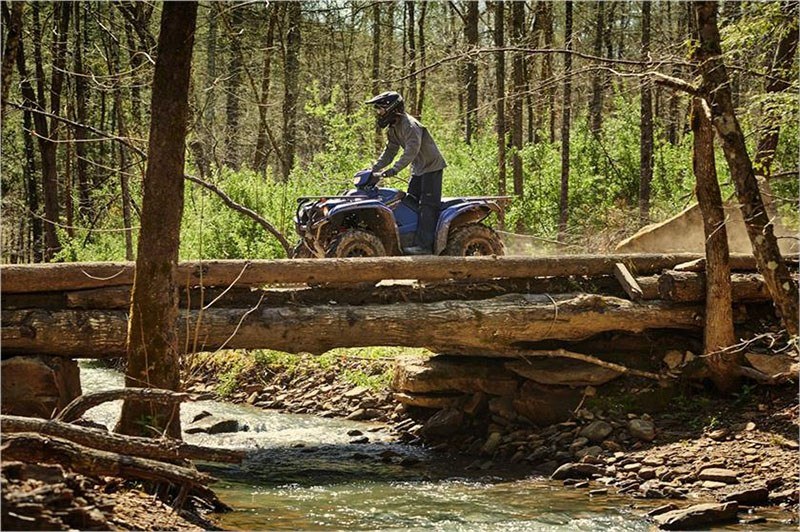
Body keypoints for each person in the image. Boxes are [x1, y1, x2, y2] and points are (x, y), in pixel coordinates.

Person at [365, 91, 447, 255]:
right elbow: (389, 152)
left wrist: (395, 169)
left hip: (431, 167)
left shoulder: (410, 125)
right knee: (409, 202)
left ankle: (424, 246)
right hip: (418, 169)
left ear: (392, 108)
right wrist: (373, 170)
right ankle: (411, 239)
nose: (379, 113)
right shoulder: (394, 128)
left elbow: (411, 151)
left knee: (427, 206)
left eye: (381, 109)